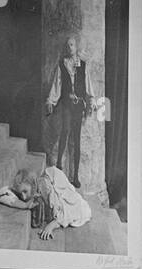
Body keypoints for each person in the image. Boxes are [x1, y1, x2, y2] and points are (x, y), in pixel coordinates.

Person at [0, 165, 92, 241]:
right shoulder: (26, 193)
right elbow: (2, 194)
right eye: (21, 194)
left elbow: (65, 210)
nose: (24, 197)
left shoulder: (45, 187)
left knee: (77, 210)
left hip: (71, 204)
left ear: (32, 184)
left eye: (25, 191)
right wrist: (24, 205)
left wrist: (52, 225)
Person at [46, 35, 92, 187]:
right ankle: (59, 168)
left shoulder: (83, 65)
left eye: (72, 45)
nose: (69, 47)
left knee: (76, 139)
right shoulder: (62, 64)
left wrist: (89, 102)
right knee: (65, 131)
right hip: (66, 105)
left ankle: (76, 176)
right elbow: (57, 85)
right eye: (68, 45)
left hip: (78, 106)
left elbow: (88, 85)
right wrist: (51, 101)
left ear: (76, 47)